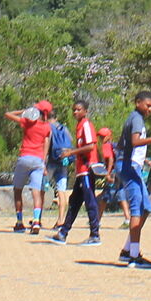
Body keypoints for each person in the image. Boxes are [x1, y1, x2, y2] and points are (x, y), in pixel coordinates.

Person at [115, 91, 151, 268]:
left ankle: (127, 250)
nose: (150, 109)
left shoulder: (137, 119)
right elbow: (135, 142)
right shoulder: (136, 118)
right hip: (128, 167)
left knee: (146, 207)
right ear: (138, 102)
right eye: (148, 105)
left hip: (134, 166)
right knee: (136, 209)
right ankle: (134, 256)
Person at [51, 96, 105, 245]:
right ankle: (63, 233)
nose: (75, 112)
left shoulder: (86, 125)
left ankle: (95, 234)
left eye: (78, 109)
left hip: (87, 169)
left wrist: (71, 152)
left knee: (90, 201)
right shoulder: (79, 125)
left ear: (85, 111)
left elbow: (91, 146)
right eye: (74, 109)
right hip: (81, 170)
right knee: (74, 201)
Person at [3, 99, 55, 233]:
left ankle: (20, 222)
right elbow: (46, 145)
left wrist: (24, 111)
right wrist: (43, 163)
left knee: (18, 190)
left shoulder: (28, 122)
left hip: (25, 157)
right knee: (36, 192)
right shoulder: (47, 127)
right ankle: (36, 221)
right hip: (38, 160)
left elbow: (7, 114)